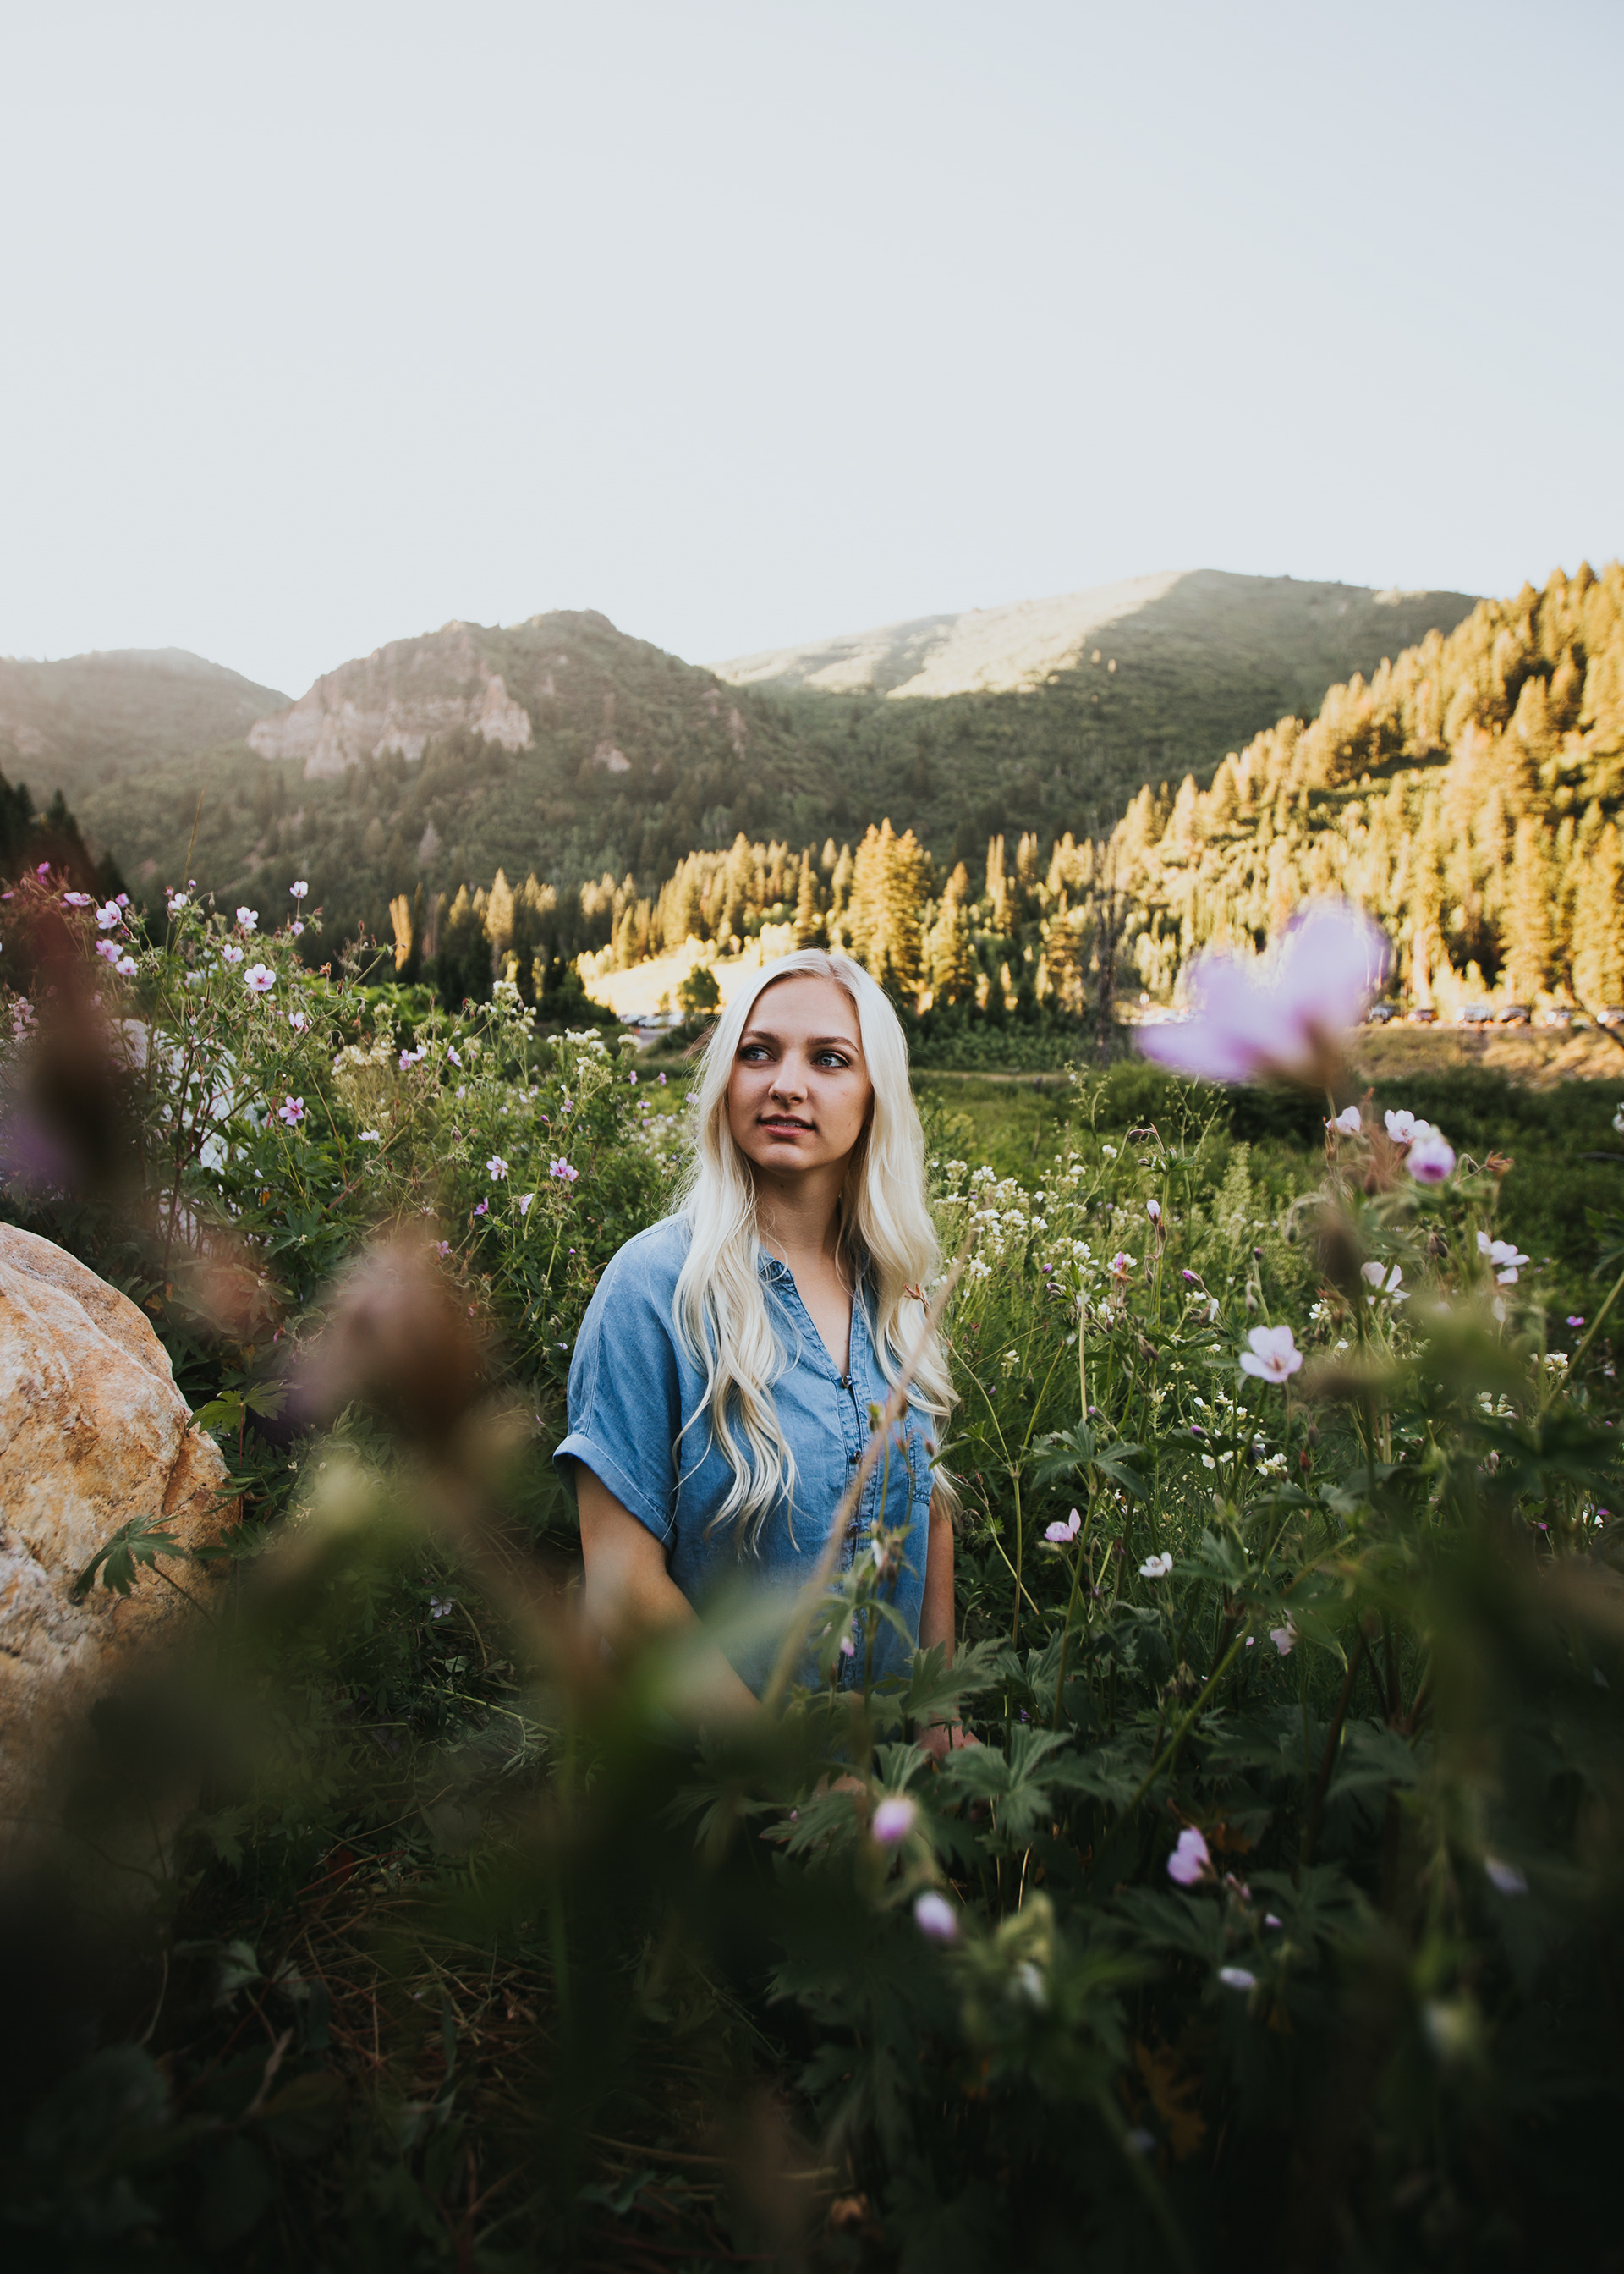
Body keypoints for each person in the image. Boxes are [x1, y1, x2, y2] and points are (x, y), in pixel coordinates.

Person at [554, 948, 968, 1749]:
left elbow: (930, 1507)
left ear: (874, 1094)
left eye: (829, 1060)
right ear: (726, 1082)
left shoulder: (899, 1290)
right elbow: (623, 1585)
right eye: (758, 1052)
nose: (785, 1083)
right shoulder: (653, 1287)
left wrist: (939, 1718)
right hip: (714, 1808)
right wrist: (787, 1782)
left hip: (881, 1790)